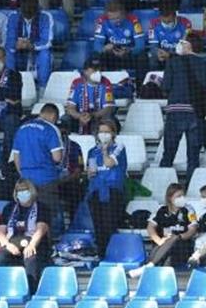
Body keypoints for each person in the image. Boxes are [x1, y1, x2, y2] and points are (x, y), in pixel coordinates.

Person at [160, 35, 206, 179]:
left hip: (175, 112)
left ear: (188, 45)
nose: (179, 44)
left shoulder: (173, 62)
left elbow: (165, 86)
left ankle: (164, 187)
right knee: (193, 158)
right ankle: (191, 188)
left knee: (168, 155)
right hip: (197, 113)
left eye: (182, 42)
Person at [0, 180, 52, 292]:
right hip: (12, 243)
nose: (22, 193)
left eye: (25, 190)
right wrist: (7, 245)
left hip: (34, 243)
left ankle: (32, 291)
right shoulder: (9, 208)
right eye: (19, 190)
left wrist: (32, 245)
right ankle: (0, 289)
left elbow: (41, 229)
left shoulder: (42, 207)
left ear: (32, 191)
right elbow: (1, 232)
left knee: (31, 257)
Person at [128, 184, 198, 277]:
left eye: (182, 196)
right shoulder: (160, 210)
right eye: (178, 196)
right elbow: (150, 227)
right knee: (166, 257)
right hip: (163, 245)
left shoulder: (189, 210)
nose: (181, 198)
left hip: (182, 247)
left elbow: (193, 229)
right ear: (170, 198)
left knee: (173, 239)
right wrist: (159, 241)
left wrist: (179, 236)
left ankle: (148, 266)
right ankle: (150, 267)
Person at [10, 104, 65, 222]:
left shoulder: (21, 128)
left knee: (29, 217)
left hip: (26, 180)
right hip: (46, 179)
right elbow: (57, 157)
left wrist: (23, 175)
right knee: (47, 217)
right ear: (53, 116)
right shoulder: (51, 128)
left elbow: (16, 157)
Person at [83, 119, 127, 257]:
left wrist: (104, 151)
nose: (104, 135)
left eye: (107, 132)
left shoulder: (119, 147)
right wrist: (89, 172)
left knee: (109, 225)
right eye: (101, 132)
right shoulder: (92, 151)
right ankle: (101, 255)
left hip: (112, 191)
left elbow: (109, 163)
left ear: (113, 133)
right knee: (98, 226)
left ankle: (112, 254)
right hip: (96, 191)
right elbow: (90, 172)